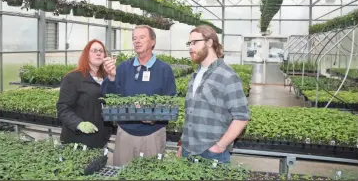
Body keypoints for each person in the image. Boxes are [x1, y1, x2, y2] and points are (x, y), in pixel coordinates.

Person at [101, 25, 176, 166]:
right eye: (134, 38)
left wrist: (154, 118)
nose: (137, 41)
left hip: (153, 134)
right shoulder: (123, 68)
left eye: (142, 37)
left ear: (153, 41)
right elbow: (107, 97)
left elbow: (170, 103)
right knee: (122, 172)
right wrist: (111, 78)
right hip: (125, 133)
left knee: (150, 173)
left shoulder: (164, 70)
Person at [176, 25, 250, 163]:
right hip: (188, 150)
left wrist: (219, 147)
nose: (190, 47)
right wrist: (182, 143)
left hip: (211, 153)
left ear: (209, 43)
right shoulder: (195, 75)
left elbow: (241, 117)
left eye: (195, 42)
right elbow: (190, 114)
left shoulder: (228, 76)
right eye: (189, 43)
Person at [57, 39, 113, 148]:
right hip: (78, 139)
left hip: (101, 138)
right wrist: (78, 124)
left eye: (101, 51)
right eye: (94, 50)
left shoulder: (107, 78)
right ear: (86, 55)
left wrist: (112, 78)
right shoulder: (73, 78)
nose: (98, 53)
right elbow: (63, 108)